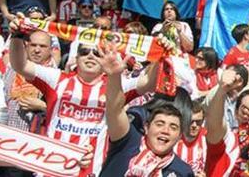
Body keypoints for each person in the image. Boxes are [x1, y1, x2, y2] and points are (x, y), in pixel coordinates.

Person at [8, 12, 159, 176]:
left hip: (91, 172)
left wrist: (161, 52)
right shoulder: (56, 78)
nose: (90, 56)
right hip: (51, 171)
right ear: (76, 57)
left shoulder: (115, 85)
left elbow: (149, 82)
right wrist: (17, 36)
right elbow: (20, 65)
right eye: (85, 51)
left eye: (97, 53)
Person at [97, 43, 193, 177]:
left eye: (173, 127)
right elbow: (114, 109)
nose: (165, 131)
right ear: (147, 127)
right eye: (159, 124)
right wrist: (114, 76)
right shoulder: (128, 142)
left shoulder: (182, 171)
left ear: (180, 135)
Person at [175, 101, 208, 176]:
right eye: (191, 121)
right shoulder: (174, 137)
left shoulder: (207, 137)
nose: (194, 125)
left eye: (198, 122)